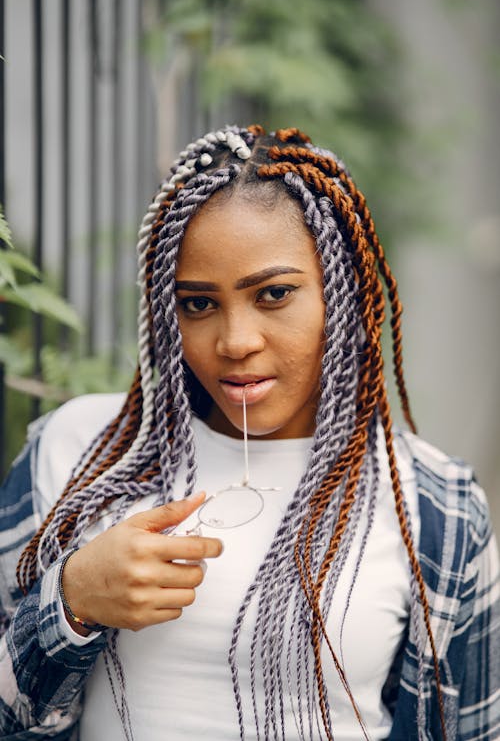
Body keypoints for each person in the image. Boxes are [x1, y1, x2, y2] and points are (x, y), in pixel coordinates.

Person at [0, 125, 498, 741]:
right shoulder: (78, 451)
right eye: (198, 304)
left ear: (343, 292)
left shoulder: (435, 507)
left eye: (274, 294)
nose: (235, 342)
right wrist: (72, 602)